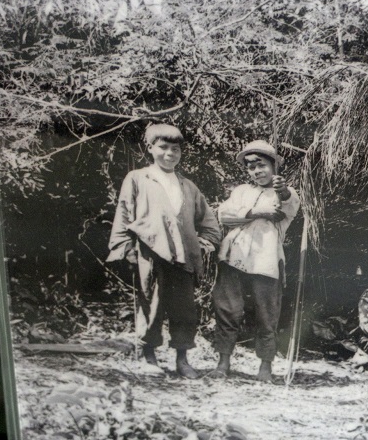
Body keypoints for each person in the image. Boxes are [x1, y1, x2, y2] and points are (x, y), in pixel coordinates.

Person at [107, 124, 221, 379]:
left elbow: (209, 223)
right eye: (163, 147)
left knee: (185, 309)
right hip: (150, 253)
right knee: (151, 304)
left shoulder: (188, 186)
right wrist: (125, 247)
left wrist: (202, 244)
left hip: (184, 257)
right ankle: (148, 356)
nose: (170, 153)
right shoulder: (138, 178)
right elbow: (124, 213)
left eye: (175, 149)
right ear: (150, 148)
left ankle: (182, 360)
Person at [212, 140, 300, 382]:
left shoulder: (286, 192)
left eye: (262, 165)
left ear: (274, 166)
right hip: (234, 256)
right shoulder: (241, 191)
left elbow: (288, 204)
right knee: (228, 310)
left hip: (266, 260)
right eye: (251, 167)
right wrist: (258, 213)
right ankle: (223, 362)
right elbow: (224, 215)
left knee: (267, 314)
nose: (257, 171)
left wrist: (282, 190)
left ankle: (265, 367)